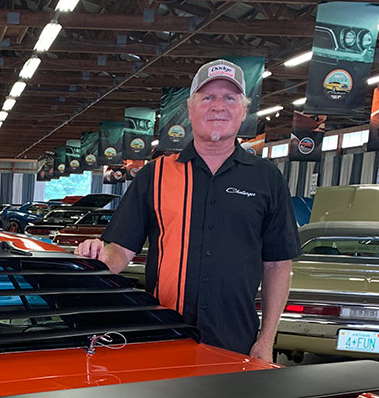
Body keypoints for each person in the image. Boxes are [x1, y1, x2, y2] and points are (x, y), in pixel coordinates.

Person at [77, 59, 299, 362]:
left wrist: (266, 339)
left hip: (237, 342)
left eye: (229, 98)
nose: (218, 106)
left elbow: (277, 265)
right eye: (207, 97)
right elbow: (121, 251)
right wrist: (98, 258)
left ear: (244, 111)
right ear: (190, 109)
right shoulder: (154, 175)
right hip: (163, 338)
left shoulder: (266, 178)